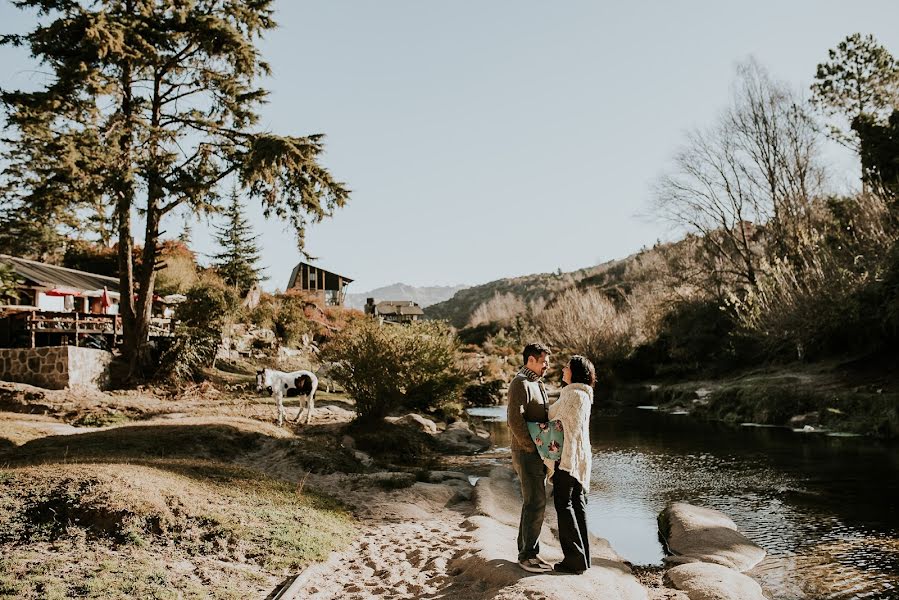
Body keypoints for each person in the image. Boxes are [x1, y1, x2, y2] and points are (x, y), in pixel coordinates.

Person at [507, 342, 553, 573]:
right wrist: (532, 448)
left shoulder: (537, 383)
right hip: (527, 453)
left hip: (537, 453)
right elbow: (514, 420)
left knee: (532, 502)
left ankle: (526, 551)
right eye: (544, 361)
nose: (547, 365)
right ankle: (527, 556)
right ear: (531, 360)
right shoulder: (520, 383)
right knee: (536, 502)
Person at [548, 355, 596, 574]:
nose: (563, 370)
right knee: (577, 504)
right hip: (579, 459)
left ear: (575, 372)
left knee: (563, 504)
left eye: (567, 367)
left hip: (568, 457)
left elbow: (554, 419)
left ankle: (574, 560)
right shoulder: (583, 394)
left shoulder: (573, 395)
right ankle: (583, 557)